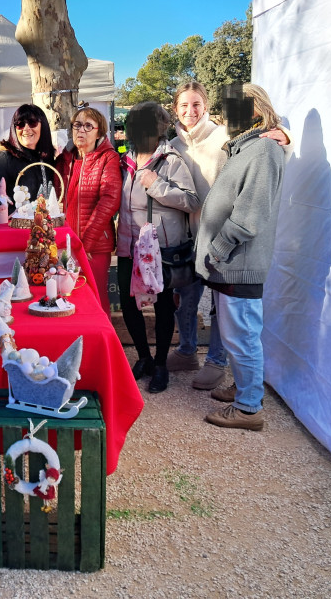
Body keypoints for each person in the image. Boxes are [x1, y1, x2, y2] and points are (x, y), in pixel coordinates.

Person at [166, 81, 291, 391]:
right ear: (175, 110)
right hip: (192, 235)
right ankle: (186, 351)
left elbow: (275, 141)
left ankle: (217, 361)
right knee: (187, 301)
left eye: (196, 104)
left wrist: (287, 136)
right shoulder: (173, 145)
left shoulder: (226, 135)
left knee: (221, 307)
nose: (190, 111)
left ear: (206, 106)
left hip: (223, 240)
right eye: (184, 105)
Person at [196, 83, 286, 431]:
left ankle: (249, 408)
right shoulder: (248, 148)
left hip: (238, 261)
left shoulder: (263, 151)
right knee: (238, 331)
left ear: (256, 110)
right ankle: (246, 388)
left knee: (242, 333)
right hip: (233, 262)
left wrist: (217, 250)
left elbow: (249, 216)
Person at [116, 102, 200, 394]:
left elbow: (191, 200)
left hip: (159, 248)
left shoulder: (171, 160)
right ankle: (144, 358)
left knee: (163, 305)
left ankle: (162, 364)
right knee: (129, 304)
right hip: (129, 245)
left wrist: (156, 185)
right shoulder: (125, 159)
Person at [55, 105, 121, 316]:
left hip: (93, 246)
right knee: (68, 295)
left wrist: (87, 242)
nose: (81, 130)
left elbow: (110, 200)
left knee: (95, 296)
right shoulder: (67, 160)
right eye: (77, 125)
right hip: (65, 243)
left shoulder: (107, 158)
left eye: (88, 126)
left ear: (99, 132)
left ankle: (103, 344)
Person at [0, 104, 56, 217]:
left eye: (32, 122)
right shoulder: (3, 160)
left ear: (43, 126)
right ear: (14, 128)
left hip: (42, 231)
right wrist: (10, 212)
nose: (26, 128)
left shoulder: (48, 162)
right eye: (20, 124)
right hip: (12, 231)